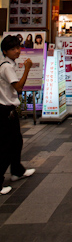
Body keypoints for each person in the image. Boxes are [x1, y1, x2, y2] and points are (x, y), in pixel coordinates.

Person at [0, 34, 36, 195]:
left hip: (9, 110)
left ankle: (17, 171)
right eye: (13, 49)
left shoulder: (9, 64)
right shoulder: (6, 67)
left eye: (18, 48)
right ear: (5, 51)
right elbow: (19, 87)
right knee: (7, 146)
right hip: (5, 111)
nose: (17, 51)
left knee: (16, 142)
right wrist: (27, 69)